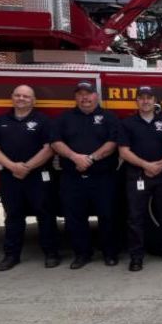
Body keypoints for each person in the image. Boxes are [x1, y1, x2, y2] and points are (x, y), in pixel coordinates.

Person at [0, 85, 60, 271]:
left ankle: (51, 254)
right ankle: (11, 256)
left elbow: (49, 148)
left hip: (38, 175)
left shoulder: (43, 121)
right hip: (11, 176)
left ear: (33, 101)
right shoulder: (0, 121)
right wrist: (13, 166)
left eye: (26, 96)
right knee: (13, 216)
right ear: (12, 97)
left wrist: (27, 167)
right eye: (18, 95)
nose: (21, 99)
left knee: (45, 215)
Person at [51, 81, 121, 269]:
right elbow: (56, 142)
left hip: (103, 177)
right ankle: (82, 255)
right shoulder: (64, 119)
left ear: (95, 96)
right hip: (72, 177)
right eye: (80, 94)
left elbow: (113, 142)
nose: (85, 98)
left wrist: (90, 158)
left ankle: (110, 253)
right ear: (75, 97)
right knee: (75, 218)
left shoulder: (109, 118)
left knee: (107, 216)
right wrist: (75, 157)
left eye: (88, 94)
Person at [117, 86, 162, 271]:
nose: (145, 101)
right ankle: (136, 257)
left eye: (149, 98)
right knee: (135, 218)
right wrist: (146, 166)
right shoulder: (127, 124)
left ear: (154, 100)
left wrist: (160, 165)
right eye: (142, 98)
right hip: (137, 176)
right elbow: (123, 151)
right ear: (137, 101)